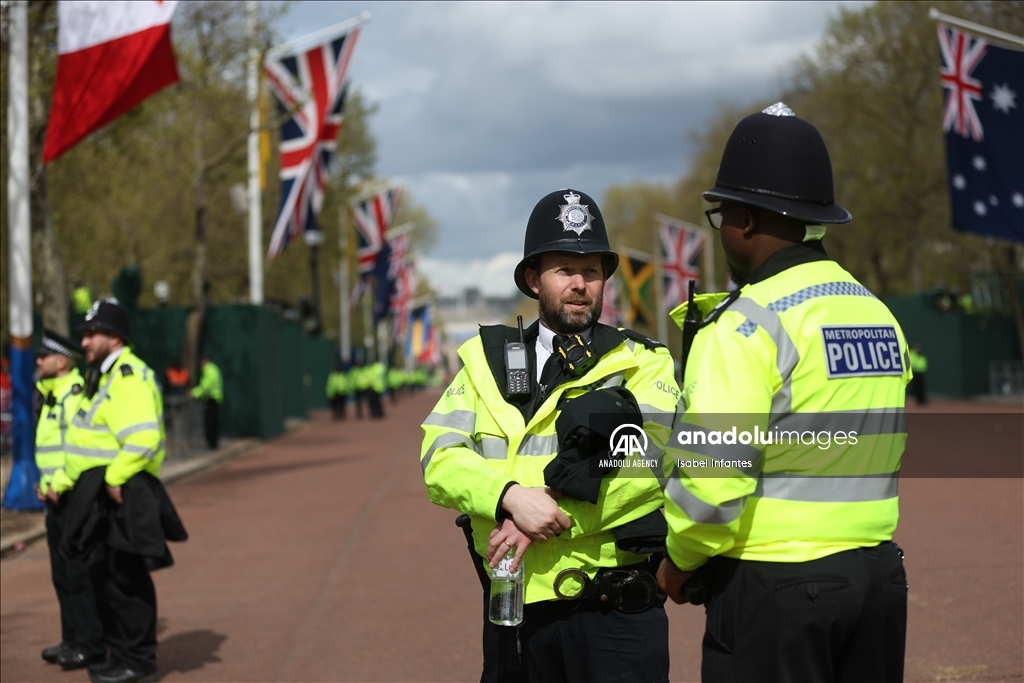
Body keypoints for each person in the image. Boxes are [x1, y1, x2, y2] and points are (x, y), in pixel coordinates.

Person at [657, 103, 911, 681]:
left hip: (776, 587)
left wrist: (677, 563)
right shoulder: (874, 312)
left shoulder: (746, 324)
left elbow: (713, 481)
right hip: (876, 577)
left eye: (722, 216)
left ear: (744, 220)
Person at [421, 188, 678, 683]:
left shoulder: (643, 364)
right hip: (512, 612)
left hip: (613, 617)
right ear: (534, 279)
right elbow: (440, 456)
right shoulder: (484, 362)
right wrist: (509, 498)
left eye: (592, 271)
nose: (580, 283)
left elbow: (651, 465)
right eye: (564, 269)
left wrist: (542, 516)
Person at [53, 299, 173, 683]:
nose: (84, 341)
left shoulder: (127, 375)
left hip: (122, 489)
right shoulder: (104, 375)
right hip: (103, 492)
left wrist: (114, 479)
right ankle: (121, 655)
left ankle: (139, 664)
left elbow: (143, 437)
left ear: (115, 337)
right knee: (107, 580)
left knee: (126, 581)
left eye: (92, 334)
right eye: (85, 334)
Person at [34, 329, 105, 671]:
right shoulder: (49, 395)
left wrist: (60, 484)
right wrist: (43, 483)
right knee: (62, 574)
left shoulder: (74, 396)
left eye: (43, 356)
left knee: (79, 573)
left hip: (72, 495)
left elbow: (79, 449)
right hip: (53, 495)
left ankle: (90, 643)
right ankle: (72, 638)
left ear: (61, 361)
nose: (38, 361)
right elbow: (50, 450)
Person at [191, 357, 223, 449]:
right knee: (213, 422)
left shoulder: (209, 370)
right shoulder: (214, 369)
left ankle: (212, 443)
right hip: (215, 398)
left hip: (211, 399)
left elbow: (206, 386)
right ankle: (214, 442)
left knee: (210, 422)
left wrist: (194, 393)